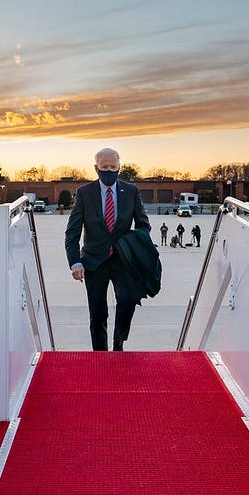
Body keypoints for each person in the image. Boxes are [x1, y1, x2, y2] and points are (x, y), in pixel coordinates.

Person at [65, 148, 151, 351]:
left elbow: (143, 224)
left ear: (119, 167)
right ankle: (100, 355)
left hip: (123, 260)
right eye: (105, 167)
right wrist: (75, 262)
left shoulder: (131, 191)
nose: (109, 171)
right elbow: (72, 233)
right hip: (94, 263)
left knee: (127, 302)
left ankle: (118, 345)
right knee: (98, 313)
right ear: (96, 168)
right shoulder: (85, 193)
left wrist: (136, 246)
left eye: (113, 167)